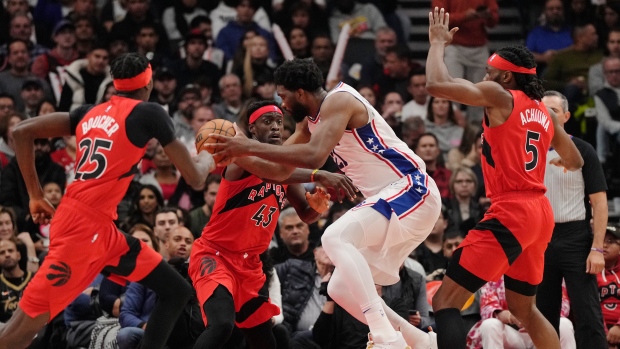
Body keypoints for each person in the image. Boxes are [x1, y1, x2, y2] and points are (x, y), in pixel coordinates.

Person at [208, 58, 442, 348]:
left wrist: (246, 145)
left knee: (334, 236)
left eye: (283, 95)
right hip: (396, 204)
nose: (282, 104)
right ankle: (418, 340)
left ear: (301, 93)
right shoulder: (309, 123)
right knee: (340, 288)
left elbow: (314, 157)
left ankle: (383, 334)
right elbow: (279, 171)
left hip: (412, 187)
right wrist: (237, 154)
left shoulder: (339, 100)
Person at [0, 52, 215, 349]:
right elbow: (195, 177)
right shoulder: (149, 112)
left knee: (176, 291)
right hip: (83, 231)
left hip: (102, 229)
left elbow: (22, 131)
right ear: (148, 82)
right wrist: (210, 156)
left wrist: (36, 195)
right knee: (20, 331)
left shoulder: (89, 112)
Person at [426, 8, 584, 349]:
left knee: (444, 302)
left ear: (507, 78)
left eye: (490, 71)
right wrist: (551, 164)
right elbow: (575, 159)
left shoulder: (500, 96)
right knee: (524, 309)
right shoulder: (544, 110)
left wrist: (438, 44)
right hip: (540, 212)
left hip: (512, 210)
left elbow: (436, 84)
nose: (485, 75)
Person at [189, 100, 352, 349]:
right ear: (252, 129)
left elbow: (306, 215)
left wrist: (318, 208)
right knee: (222, 325)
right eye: (267, 122)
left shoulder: (285, 170)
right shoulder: (239, 157)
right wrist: (317, 173)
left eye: (278, 122)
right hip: (215, 255)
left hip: (250, 265)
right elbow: (272, 173)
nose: (276, 127)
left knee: (265, 340)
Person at [536, 90, 608, 348]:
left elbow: (599, 203)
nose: (546, 115)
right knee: (543, 314)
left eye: (553, 111)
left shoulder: (583, 150)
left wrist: (597, 248)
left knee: (587, 311)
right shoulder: (528, 150)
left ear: (565, 116)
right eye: (541, 109)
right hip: (540, 239)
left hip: (576, 238)